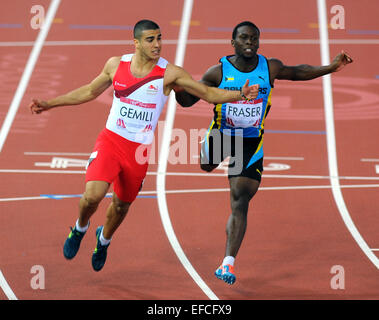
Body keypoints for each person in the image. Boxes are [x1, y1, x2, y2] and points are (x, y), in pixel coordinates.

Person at [29, 20, 259, 272]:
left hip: (137, 152)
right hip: (111, 141)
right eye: (150, 40)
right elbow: (89, 91)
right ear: (136, 43)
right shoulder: (116, 65)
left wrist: (240, 94)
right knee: (92, 196)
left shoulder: (170, 73)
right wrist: (51, 103)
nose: (157, 44)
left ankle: (103, 240)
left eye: (159, 38)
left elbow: (208, 93)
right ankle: (80, 228)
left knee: (121, 205)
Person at [174, 21, 353, 285]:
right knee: (206, 165)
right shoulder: (218, 72)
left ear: (258, 42)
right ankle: (212, 155)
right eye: (244, 38)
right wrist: (179, 90)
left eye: (254, 39)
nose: (249, 43)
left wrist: (331, 67)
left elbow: (298, 72)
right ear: (233, 43)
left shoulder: (269, 67)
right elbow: (189, 100)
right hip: (223, 135)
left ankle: (228, 263)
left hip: (250, 142)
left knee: (240, 198)